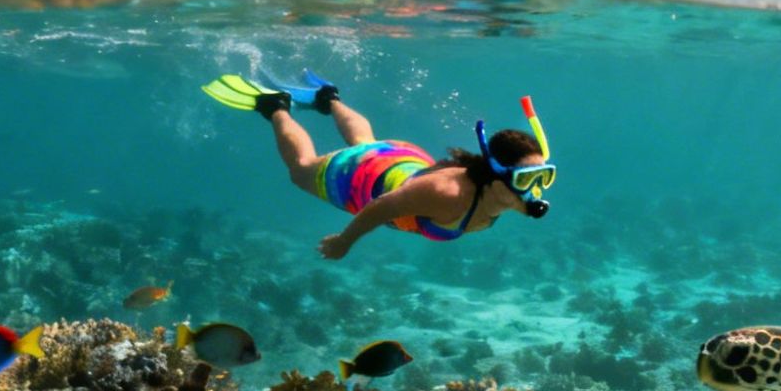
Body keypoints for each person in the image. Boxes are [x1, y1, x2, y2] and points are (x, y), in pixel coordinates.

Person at [202, 72, 556, 260]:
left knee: (365, 144)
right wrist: (344, 241)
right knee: (302, 170)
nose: (536, 189)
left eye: (543, 177)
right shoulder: (448, 194)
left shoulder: (505, 196)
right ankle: (275, 106)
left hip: (400, 159)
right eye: (528, 178)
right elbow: (380, 207)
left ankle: (329, 100)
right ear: (495, 178)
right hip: (366, 179)